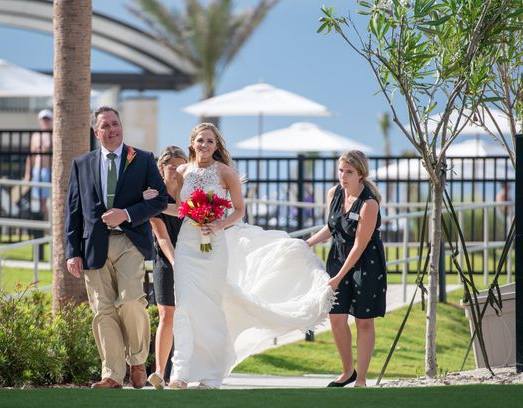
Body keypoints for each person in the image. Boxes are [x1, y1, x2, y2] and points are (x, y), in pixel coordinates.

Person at [165, 123, 334, 390]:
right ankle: (180, 373)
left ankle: (211, 375)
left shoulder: (226, 173)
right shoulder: (183, 171)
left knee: (210, 309)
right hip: (187, 245)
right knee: (184, 306)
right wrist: (156, 205)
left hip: (214, 247)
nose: (205, 145)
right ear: (192, 143)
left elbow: (240, 210)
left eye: (210, 141)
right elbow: (182, 210)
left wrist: (218, 224)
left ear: (216, 145)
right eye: (200, 140)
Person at [65, 106, 168, 389]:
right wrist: (71, 251)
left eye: (115, 124)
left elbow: (161, 200)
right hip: (92, 246)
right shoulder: (82, 164)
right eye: (105, 126)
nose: (112, 130)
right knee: (103, 309)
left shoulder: (143, 159)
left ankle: (137, 360)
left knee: (131, 300)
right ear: (96, 132)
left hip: (130, 241)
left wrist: (127, 213)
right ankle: (111, 373)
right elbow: (73, 210)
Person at [306, 150, 387, 388]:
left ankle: (361, 379)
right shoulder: (334, 193)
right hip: (338, 258)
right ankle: (347, 371)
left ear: (361, 174)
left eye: (349, 172)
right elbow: (332, 226)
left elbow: (360, 245)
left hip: (366, 264)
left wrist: (339, 277)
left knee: (364, 321)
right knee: (337, 317)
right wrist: (308, 243)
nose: (343, 176)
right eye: (341, 170)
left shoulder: (369, 204)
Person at [146, 146, 188, 390]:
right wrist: (175, 263)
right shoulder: (154, 197)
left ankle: (180, 373)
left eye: (181, 166)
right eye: (171, 166)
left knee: (187, 315)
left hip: (191, 260)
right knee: (166, 314)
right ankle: (160, 373)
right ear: (161, 167)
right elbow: (162, 237)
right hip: (165, 259)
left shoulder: (188, 193)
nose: (176, 170)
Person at [24, 109, 53, 221]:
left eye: (47, 119)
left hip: (50, 170)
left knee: (48, 200)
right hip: (38, 170)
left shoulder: (54, 135)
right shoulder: (36, 136)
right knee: (40, 200)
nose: (45, 121)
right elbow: (31, 155)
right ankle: (45, 223)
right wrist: (27, 173)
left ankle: (48, 224)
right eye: (43, 119)